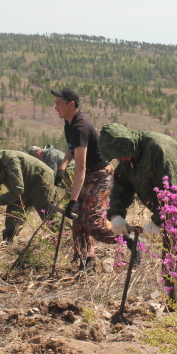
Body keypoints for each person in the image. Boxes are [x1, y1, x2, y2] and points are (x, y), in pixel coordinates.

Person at [98, 123, 177, 293]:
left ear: (127, 145)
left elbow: (174, 187)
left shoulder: (158, 147)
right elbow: (121, 186)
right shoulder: (128, 159)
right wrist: (116, 215)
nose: (120, 160)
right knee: (173, 262)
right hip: (173, 213)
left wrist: (159, 221)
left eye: (121, 156)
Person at [52, 88, 116, 272]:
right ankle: (86, 260)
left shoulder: (80, 127)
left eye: (58, 103)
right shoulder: (69, 122)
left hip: (100, 174)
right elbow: (71, 147)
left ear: (71, 104)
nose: (55, 107)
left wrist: (73, 200)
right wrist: (62, 167)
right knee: (78, 219)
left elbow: (81, 168)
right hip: (89, 174)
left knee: (92, 220)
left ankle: (129, 240)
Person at [0, 149, 59, 242]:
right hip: (24, 186)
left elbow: (18, 189)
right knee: (13, 215)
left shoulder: (11, 160)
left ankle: (65, 237)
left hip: (41, 181)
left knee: (48, 214)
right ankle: (7, 242)